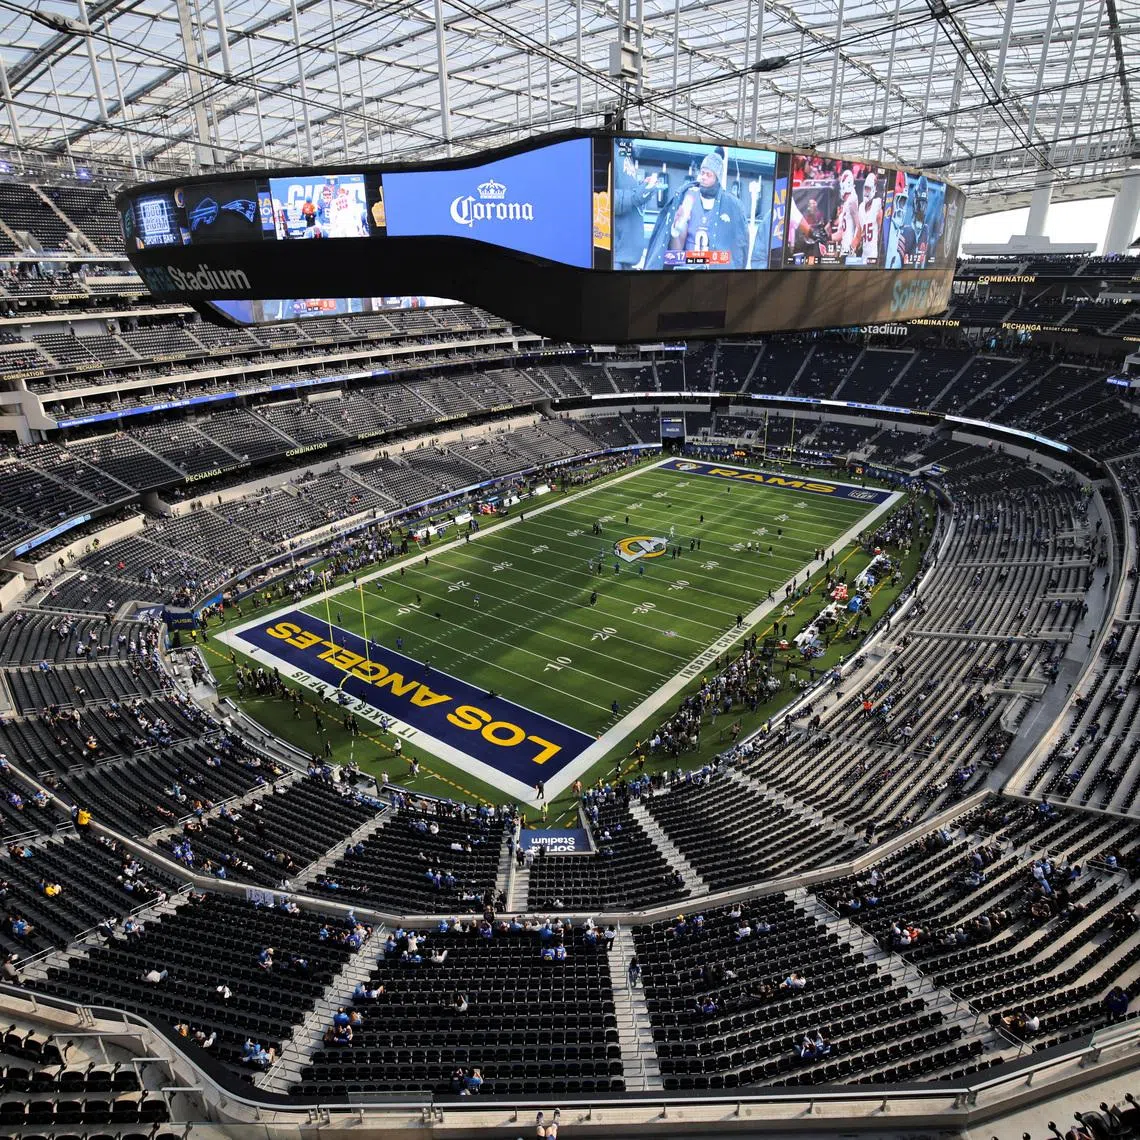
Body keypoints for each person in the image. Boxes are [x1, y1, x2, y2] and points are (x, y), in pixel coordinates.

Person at [643, 146, 748, 269]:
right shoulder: (688, 197)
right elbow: (676, 251)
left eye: (708, 174)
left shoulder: (731, 205)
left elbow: (739, 247)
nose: (703, 177)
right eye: (702, 173)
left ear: (717, 178)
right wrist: (676, 229)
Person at [613, 148, 658, 269]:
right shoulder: (608, 148)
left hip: (626, 260)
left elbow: (627, 191)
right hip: (614, 259)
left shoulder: (623, 151)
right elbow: (601, 197)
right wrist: (636, 196)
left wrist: (643, 188)